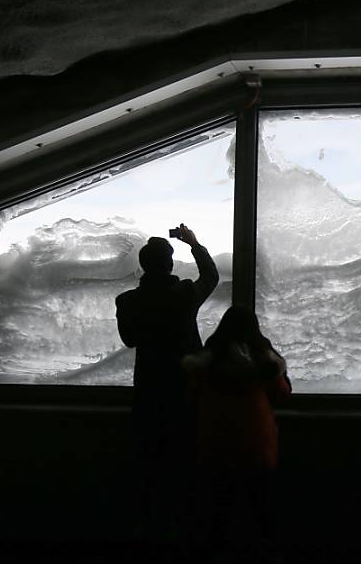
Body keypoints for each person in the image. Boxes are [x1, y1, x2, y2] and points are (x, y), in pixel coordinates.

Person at [115, 224, 219, 546]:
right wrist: (194, 243)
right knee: (185, 461)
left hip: (148, 390)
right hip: (185, 391)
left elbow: (130, 339)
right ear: (170, 265)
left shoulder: (127, 301)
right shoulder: (184, 294)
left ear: (143, 266)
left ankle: (147, 528)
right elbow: (211, 277)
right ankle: (185, 529)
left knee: (149, 461)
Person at [182, 305, 292, 562]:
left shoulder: (206, 362)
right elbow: (282, 394)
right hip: (256, 442)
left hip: (216, 441)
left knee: (220, 509)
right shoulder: (264, 360)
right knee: (262, 506)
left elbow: (191, 396)